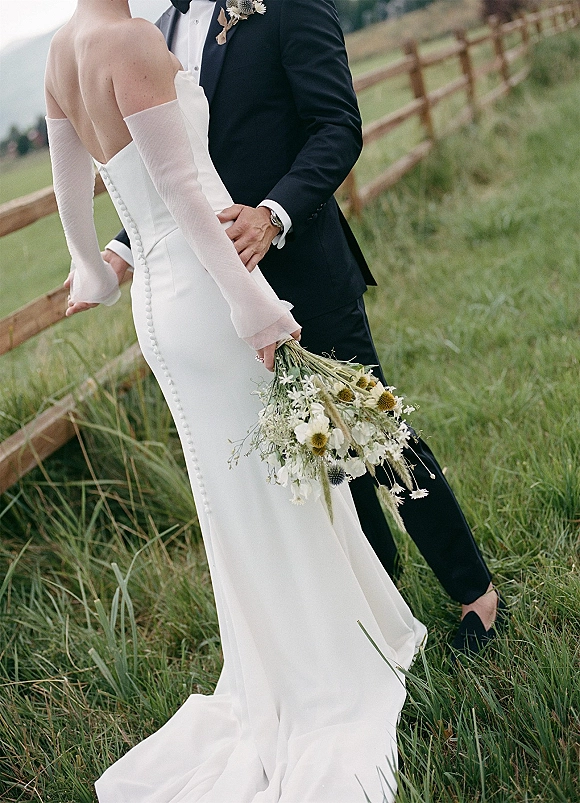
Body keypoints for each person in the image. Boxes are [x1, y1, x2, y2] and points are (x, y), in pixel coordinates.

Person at [45, 1, 427, 800]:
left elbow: (70, 188)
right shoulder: (132, 38)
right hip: (208, 295)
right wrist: (255, 304)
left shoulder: (62, 51)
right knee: (271, 492)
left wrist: (91, 268)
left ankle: (278, 661)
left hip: (156, 303)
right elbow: (188, 192)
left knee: (233, 497)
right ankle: (319, 667)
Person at [103, 0, 503, 653]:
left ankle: (475, 593)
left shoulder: (287, 5)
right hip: (224, 298)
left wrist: (272, 213)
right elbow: (178, 163)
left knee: (376, 436)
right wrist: (121, 249)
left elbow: (337, 125)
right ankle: (385, 603)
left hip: (306, 268)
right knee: (325, 461)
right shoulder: (159, 31)